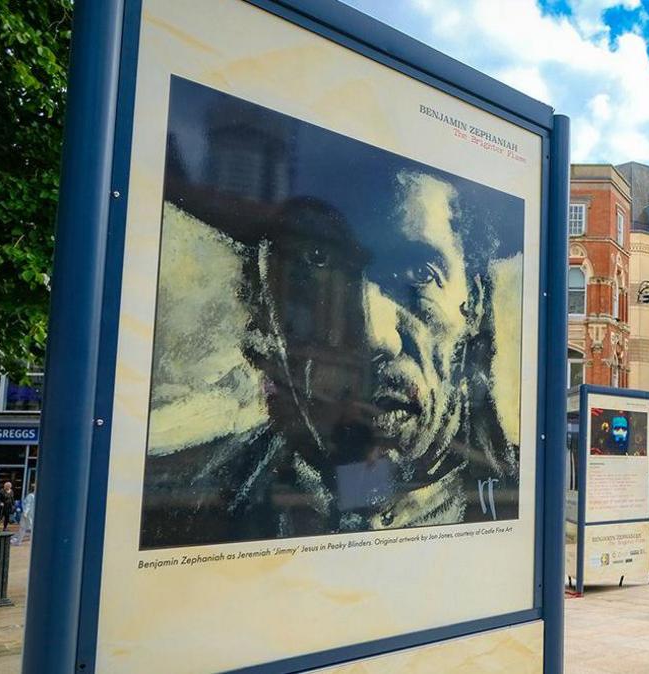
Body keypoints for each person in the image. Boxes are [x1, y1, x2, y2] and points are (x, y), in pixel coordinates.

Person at [139, 81, 525, 549]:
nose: (375, 336)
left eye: (418, 272)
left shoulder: (517, 497)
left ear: (474, 303)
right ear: (264, 313)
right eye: (317, 273)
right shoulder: (186, 504)